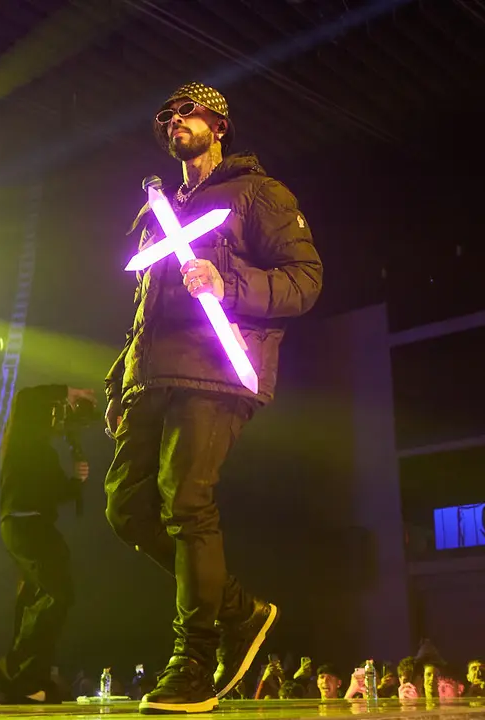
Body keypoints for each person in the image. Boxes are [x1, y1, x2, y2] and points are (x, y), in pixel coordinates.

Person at [103, 81, 323, 714]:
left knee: (186, 501)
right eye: (165, 113)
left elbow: (305, 281)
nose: (174, 119)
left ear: (218, 123)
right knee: (125, 509)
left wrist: (227, 281)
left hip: (219, 369)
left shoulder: (259, 194)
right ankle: (240, 611)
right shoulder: (155, 211)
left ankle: (193, 659)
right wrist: (123, 380)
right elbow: (143, 307)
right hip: (153, 375)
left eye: (187, 110)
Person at [0, 385, 95, 702]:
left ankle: (29, 677)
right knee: (58, 595)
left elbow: (54, 494)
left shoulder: (45, 453)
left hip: (35, 524)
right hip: (25, 525)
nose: (58, 418)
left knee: (39, 598)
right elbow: (24, 398)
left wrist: (75, 482)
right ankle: (13, 669)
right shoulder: (22, 439)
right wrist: (68, 391)